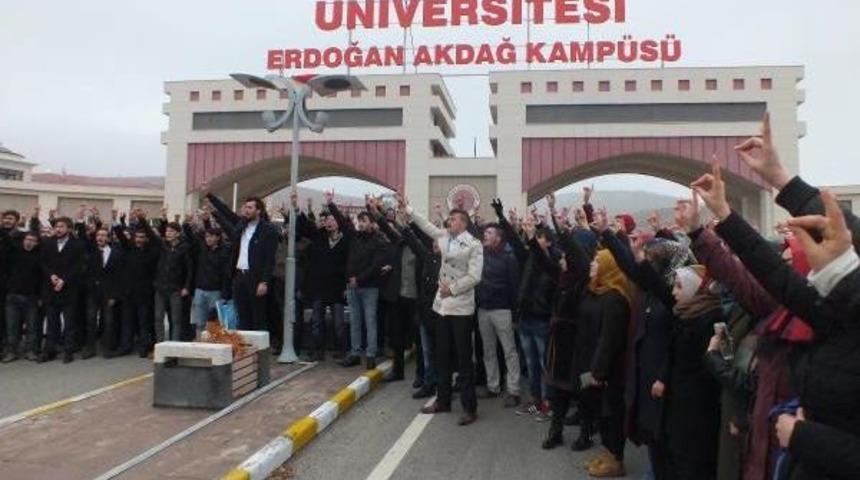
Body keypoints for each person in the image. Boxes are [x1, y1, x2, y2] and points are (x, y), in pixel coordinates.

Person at [693, 144, 860, 479]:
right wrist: (774, 183)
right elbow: (768, 272)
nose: (790, 258)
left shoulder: (829, 314)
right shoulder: (830, 312)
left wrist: (803, 437)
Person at [402, 194, 484, 427]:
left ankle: (469, 407)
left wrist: (454, 288)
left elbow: (475, 276)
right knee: (442, 354)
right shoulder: (444, 236)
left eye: (454, 219)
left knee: (463, 358)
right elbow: (425, 225)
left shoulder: (474, 245)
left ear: (464, 223)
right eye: (449, 220)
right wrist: (407, 209)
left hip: (460, 306)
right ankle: (443, 400)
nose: (450, 222)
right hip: (442, 305)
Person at [206, 193, 280, 332]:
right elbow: (227, 213)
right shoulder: (242, 225)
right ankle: (246, 351)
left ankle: (260, 351)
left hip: (256, 278)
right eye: (246, 207)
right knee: (243, 316)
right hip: (239, 276)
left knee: (258, 316)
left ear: (258, 211)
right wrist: (211, 196)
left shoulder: (268, 230)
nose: (247, 210)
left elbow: (270, 259)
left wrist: (264, 281)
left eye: (250, 207)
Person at [368, 197, 419, 382]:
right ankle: (398, 371)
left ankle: (422, 375)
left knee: (416, 337)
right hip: (397, 296)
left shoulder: (420, 248)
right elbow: (387, 226)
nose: (403, 231)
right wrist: (376, 211)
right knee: (396, 335)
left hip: (415, 298)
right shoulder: (399, 243)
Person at [475, 209, 522, 408]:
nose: (485, 235)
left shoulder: (508, 257)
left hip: (503, 310)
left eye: (489, 233)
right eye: (485, 233)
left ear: (499, 237)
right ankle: (493, 386)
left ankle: (513, 390)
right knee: (488, 351)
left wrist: (515, 316)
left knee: (509, 351)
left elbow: (515, 288)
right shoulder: (480, 254)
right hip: (483, 310)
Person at [296, 191, 349, 361]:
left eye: (333, 220)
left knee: (339, 323)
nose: (330, 223)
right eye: (327, 220)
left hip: (337, 288)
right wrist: (297, 209)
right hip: (318, 287)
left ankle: (341, 350)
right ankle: (317, 351)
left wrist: (331, 204)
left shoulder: (345, 240)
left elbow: (344, 223)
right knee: (317, 321)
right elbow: (306, 227)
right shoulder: (319, 237)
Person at [339, 207, 388, 370]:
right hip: (352, 287)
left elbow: (376, 265)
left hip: (369, 287)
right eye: (359, 221)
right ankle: (355, 353)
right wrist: (331, 205)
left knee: (370, 321)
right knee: (355, 321)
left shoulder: (378, 240)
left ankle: (371, 355)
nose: (360, 224)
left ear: (372, 224)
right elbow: (343, 224)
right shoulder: (354, 238)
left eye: (364, 221)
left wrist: (358, 279)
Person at [113, 211, 160, 357]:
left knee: (144, 322)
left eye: (142, 237)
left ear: (146, 239)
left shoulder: (152, 251)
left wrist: (142, 220)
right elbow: (120, 235)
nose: (139, 239)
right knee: (127, 322)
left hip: (145, 294)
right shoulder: (129, 249)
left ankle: (144, 347)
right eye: (137, 237)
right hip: (128, 293)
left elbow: (153, 237)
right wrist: (115, 220)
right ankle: (125, 346)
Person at [40, 216, 85, 363]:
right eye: (56, 226)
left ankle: (68, 351)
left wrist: (64, 280)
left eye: (62, 226)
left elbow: (78, 266)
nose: (58, 229)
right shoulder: (47, 242)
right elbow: (42, 262)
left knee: (69, 323)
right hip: (51, 288)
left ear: (69, 229)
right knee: (52, 322)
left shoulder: (77, 244)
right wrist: (51, 275)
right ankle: (49, 351)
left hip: (69, 289)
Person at [81, 226, 125, 357]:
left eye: (104, 235)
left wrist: (114, 295)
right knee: (90, 320)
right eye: (98, 235)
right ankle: (90, 347)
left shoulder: (115, 253)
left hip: (108, 293)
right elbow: (83, 239)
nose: (100, 237)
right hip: (92, 292)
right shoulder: (91, 251)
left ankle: (107, 347)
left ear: (109, 238)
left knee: (108, 321)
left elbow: (118, 276)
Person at [184, 217, 230, 340]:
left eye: (211, 236)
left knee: (214, 321)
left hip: (215, 291)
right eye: (206, 236)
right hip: (200, 290)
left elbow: (225, 274)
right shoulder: (202, 249)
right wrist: (187, 225)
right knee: (200, 322)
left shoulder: (224, 251)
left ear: (218, 237)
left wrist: (225, 293)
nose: (208, 239)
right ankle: (199, 343)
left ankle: (214, 343)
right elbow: (192, 239)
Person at [2, 231, 42, 362]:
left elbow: (42, 279)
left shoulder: (39, 257)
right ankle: (12, 351)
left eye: (32, 240)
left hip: (31, 297)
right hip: (13, 296)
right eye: (27, 239)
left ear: (36, 243)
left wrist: (40, 296)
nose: (29, 242)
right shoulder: (15, 253)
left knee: (31, 326)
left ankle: (30, 350)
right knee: (12, 326)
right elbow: (8, 239)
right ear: (23, 240)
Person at [151, 221, 194, 342]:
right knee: (158, 317)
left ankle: (174, 346)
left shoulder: (185, 248)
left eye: (171, 231)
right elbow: (153, 236)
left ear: (178, 233)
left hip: (176, 289)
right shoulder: (163, 246)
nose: (168, 234)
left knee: (176, 319)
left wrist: (186, 286)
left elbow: (190, 269)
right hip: (160, 287)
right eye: (167, 231)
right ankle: (159, 345)